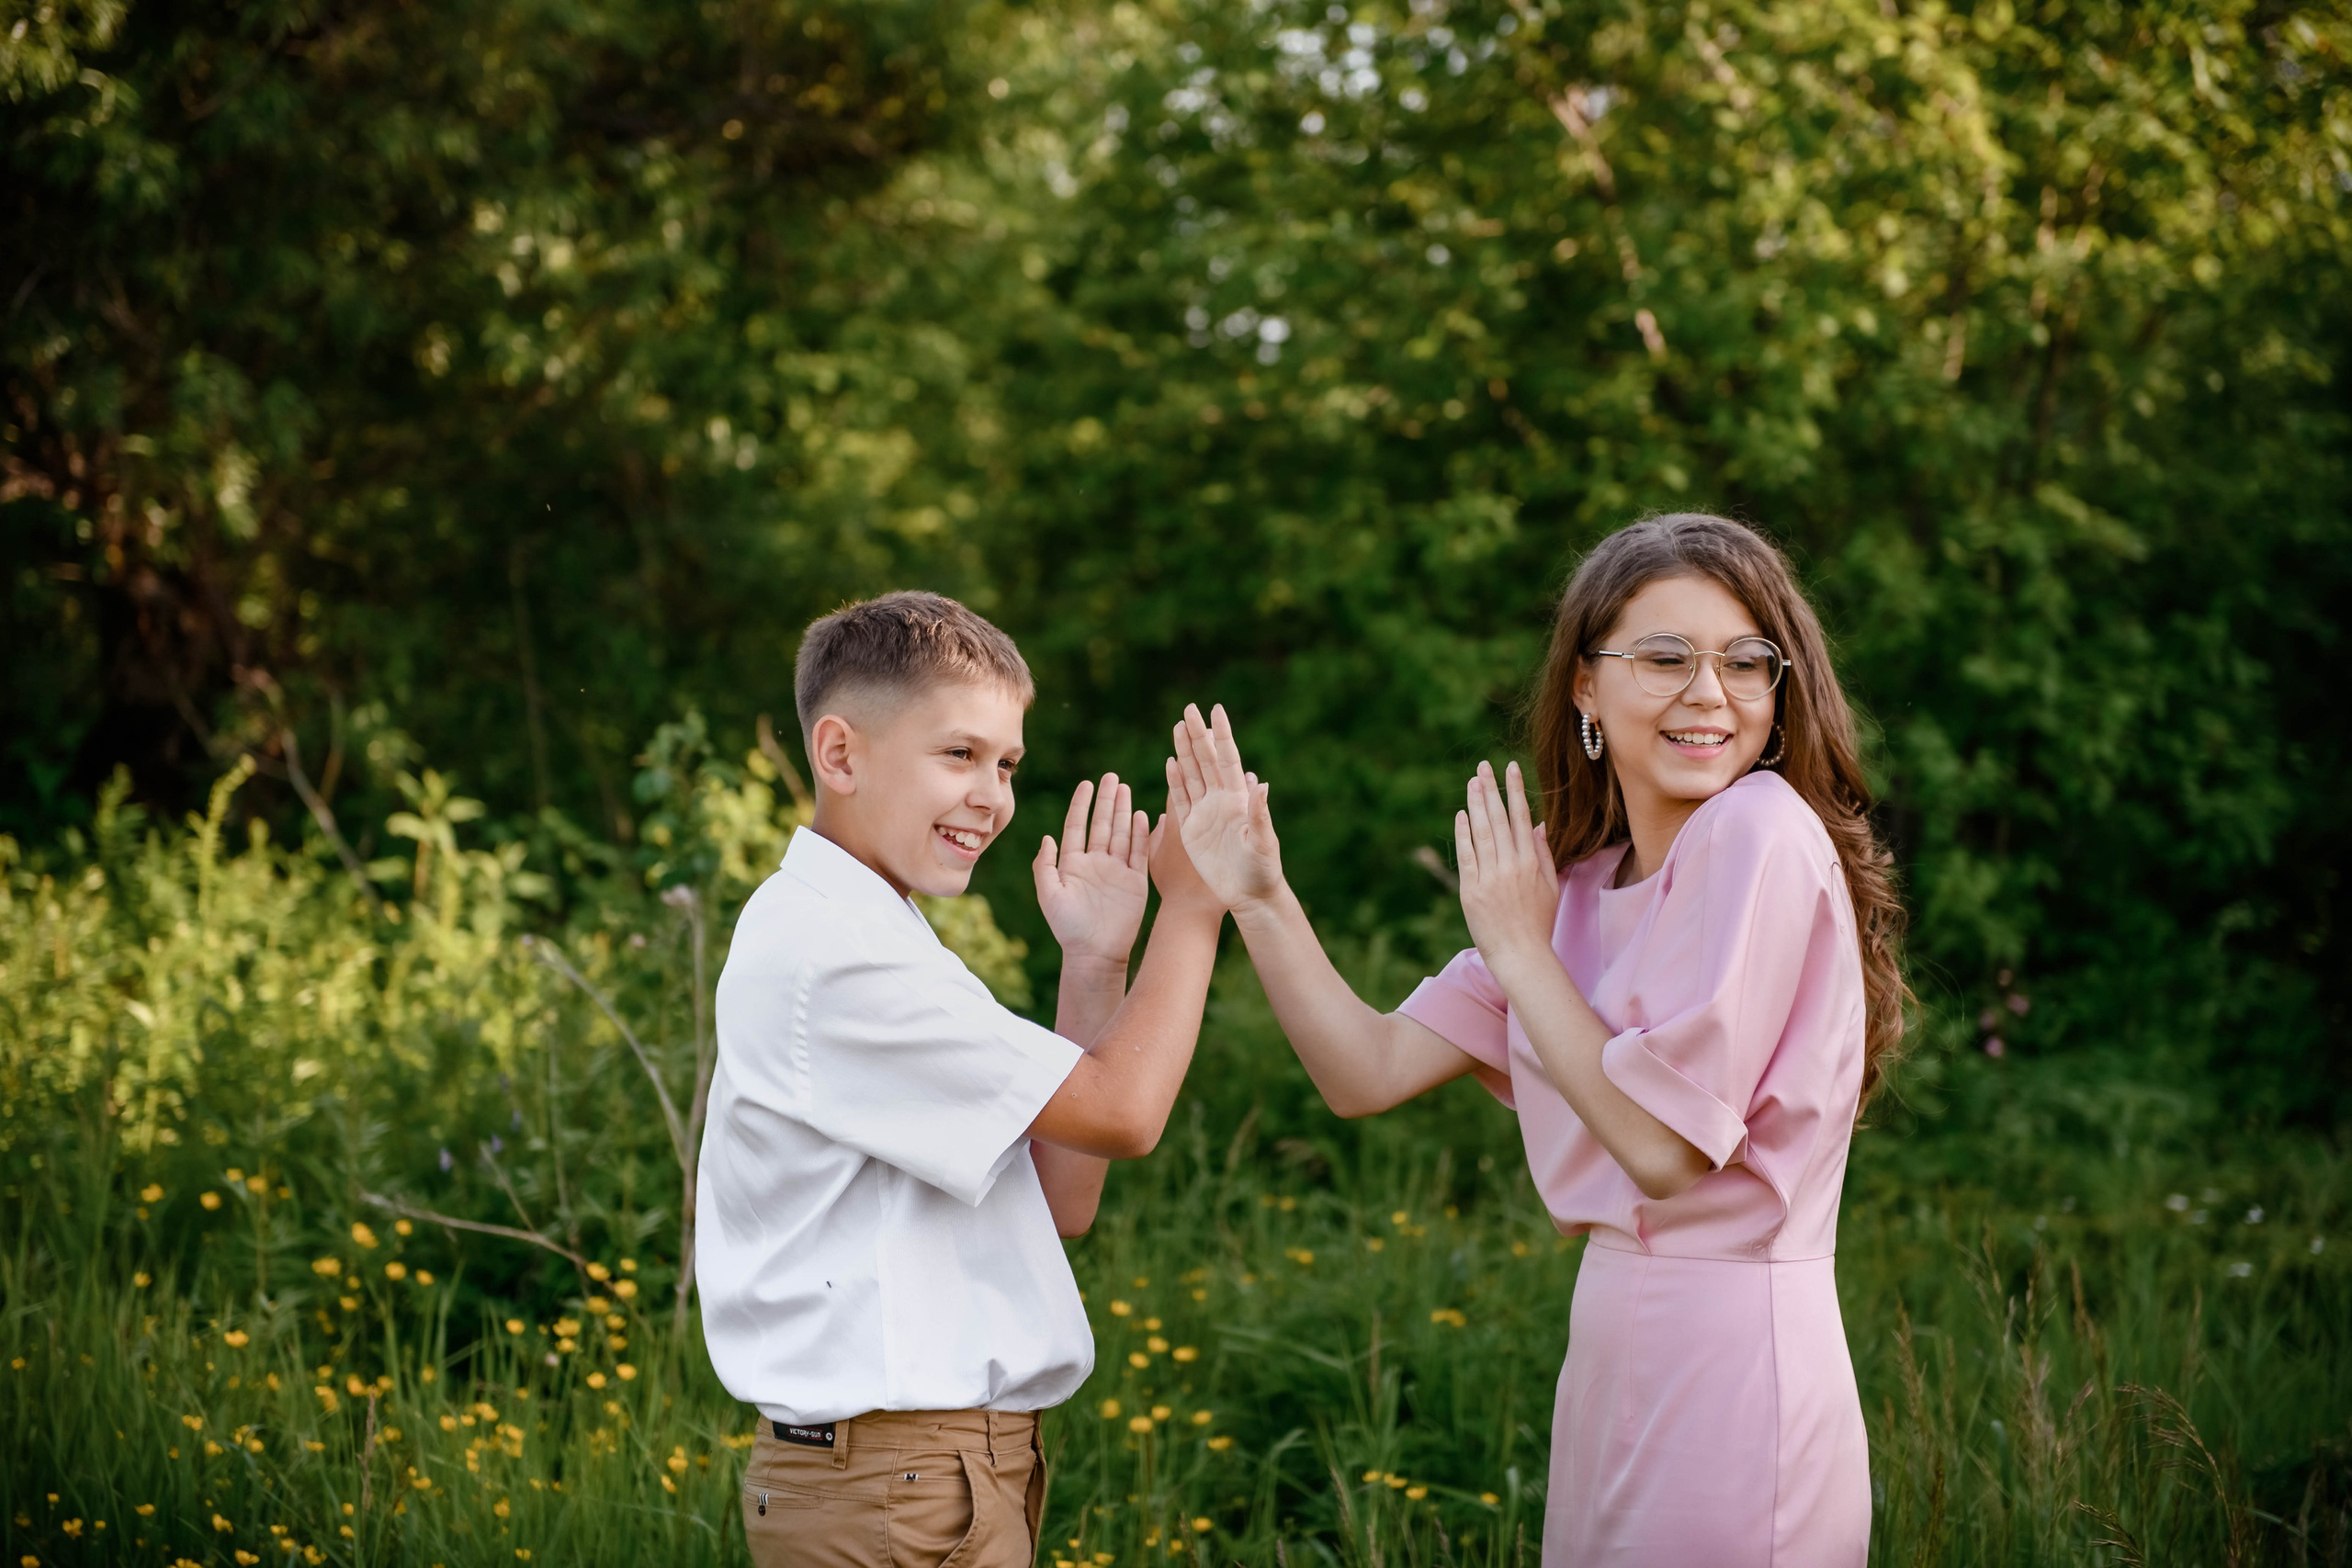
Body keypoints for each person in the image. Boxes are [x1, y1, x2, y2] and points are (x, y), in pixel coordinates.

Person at [1168, 514, 1909, 1566]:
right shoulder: (1573, 889)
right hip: (1612, 1348)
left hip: (1737, 1360)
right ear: (1585, 688)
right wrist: (1260, 895)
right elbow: (1364, 1071)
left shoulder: (1759, 828)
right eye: (1665, 657)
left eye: (1746, 661)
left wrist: (1520, 952)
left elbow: (1664, 1151)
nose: (1709, 692)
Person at [696, 590, 1226, 1568]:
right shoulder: (839, 955)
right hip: (891, 1485)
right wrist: (1195, 905)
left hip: (930, 1475)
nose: (993, 796)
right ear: (840, 754)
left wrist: (1096, 962)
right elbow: (1126, 1112)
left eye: (1007, 764)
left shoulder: (873, 933)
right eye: (959, 754)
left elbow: (1060, 1198)